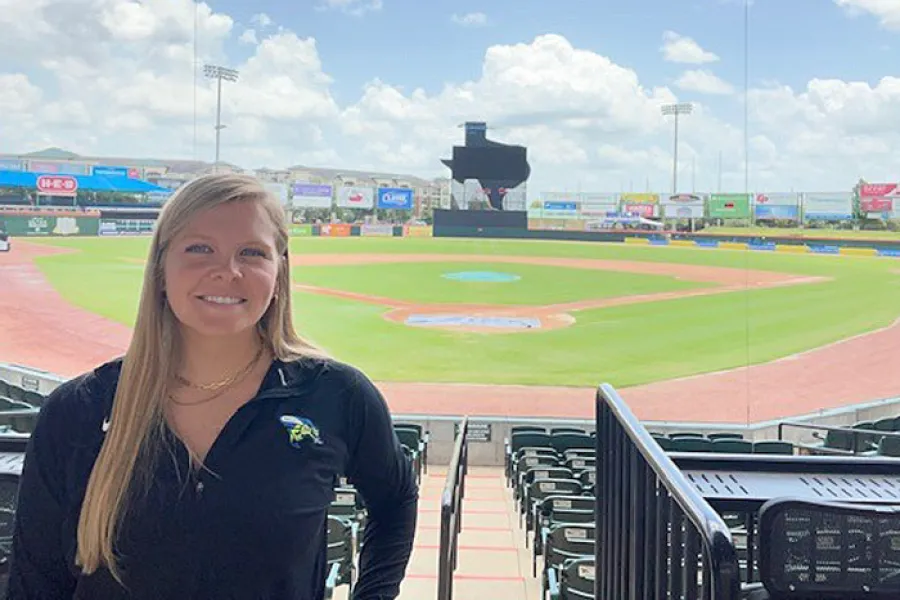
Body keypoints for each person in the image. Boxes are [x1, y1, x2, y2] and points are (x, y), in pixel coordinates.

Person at [6, 173, 419, 599]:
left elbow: (397, 499)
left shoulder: (338, 396)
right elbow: (34, 582)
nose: (228, 271)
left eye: (252, 253)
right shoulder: (78, 410)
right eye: (199, 248)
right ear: (162, 270)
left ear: (279, 274)